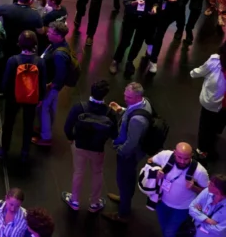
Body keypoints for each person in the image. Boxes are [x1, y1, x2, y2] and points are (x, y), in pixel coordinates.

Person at [62, 79, 116, 213]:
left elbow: (67, 126)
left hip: (79, 145)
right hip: (98, 148)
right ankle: (94, 203)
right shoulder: (109, 112)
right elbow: (114, 133)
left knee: (78, 172)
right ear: (105, 95)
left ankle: (74, 201)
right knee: (97, 173)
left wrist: (71, 138)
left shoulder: (79, 108)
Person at [104, 82, 153, 224]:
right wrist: (121, 110)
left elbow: (131, 143)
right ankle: (124, 197)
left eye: (129, 97)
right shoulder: (144, 103)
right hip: (136, 151)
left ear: (138, 97)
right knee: (127, 179)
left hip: (128, 155)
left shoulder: (138, 120)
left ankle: (122, 213)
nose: (125, 98)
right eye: (125, 95)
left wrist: (119, 150)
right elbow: (132, 111)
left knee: (123, 179)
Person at [0, 30, 45, 163]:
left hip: (14, 97)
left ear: (19, 43)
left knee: (8, 124)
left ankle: (4, 149)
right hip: (31, 98)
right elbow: (42, 82)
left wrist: (5, 93)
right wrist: (40, 98)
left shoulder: (13, 60)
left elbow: (6, 81)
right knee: (28, 125)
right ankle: (25, 152)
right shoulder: (39, 62)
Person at [150, 142, 210, 236]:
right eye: (179, 157)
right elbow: (150, 161)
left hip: (182, 208)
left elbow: (208, 193)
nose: (182, 161)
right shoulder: (165, 156)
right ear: (174, 153)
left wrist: (194, 188)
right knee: (163, 226)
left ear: (192, 155)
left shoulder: (200, 171)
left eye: (186, 158)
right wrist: (156, 170)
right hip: (161, 202)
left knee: (169, 232)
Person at [111, 0, 159, 77]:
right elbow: (126, 2)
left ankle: (130, 61)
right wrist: (135, 2)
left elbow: (156, 1)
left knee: (138, 42)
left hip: (145, 19)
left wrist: (155, 8)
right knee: (125, 41)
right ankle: (116, 61)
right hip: (131, 18)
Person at [192, 44, 226, 161]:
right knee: (217, 122)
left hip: (211, 102)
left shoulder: (215, 61)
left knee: (205, 125)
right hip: (223, 105)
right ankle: (214, 135)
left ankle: (202, 149)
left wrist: (193, 73)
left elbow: (202, 70)